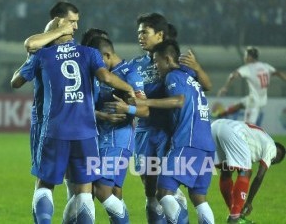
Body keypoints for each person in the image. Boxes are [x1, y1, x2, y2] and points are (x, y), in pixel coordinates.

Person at [11, 1, 136, 224]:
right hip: (86, 133)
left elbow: (17, 80)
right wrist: (129, 88)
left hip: (55, 129)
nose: (76, 27)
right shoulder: (88, 53)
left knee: (44, 185)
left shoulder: (43, 55)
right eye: (72, 22)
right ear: (60, 23)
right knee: (84, 192)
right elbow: (106, 77)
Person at [128, 13, 212, 224]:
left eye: (144, 32)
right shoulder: (135, 64)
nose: (140, 37)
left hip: (171, 133)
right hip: (145, 131)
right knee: (150, 188)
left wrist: (198, 68)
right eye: (139, 33)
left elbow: (201, 88)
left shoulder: (176, 66)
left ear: (161, 35)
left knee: (164, 188)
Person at [87, 35, 149, 224]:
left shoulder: (130, 73)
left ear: (106, 55)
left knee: (100, 189)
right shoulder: (99, 74)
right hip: (98, 137)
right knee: (113, 191)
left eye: (98, 61)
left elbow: (145, 109)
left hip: (119, 139)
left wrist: (128, 108)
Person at [211, 118, 285, 224]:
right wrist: (249, 202)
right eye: (278, 156)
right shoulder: (272, 147)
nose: (275, 159)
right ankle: (234, 218)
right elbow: (259, 176)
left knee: (226, 171)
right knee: (246, 171)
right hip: (232, 132)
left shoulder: (259, 141)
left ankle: (234, 213)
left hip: (215, 126)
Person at [215, 46, 286, 124]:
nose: (244, 58)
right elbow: (278, 73)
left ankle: (252, 134)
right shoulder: (265, 66)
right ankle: (222, 113)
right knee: (241, 104)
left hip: (254, 102)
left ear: (249, 57)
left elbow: (233, 75)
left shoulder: (248, 68)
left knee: (248, 126)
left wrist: (225, 88)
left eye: (245, 55)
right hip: (262, 99)